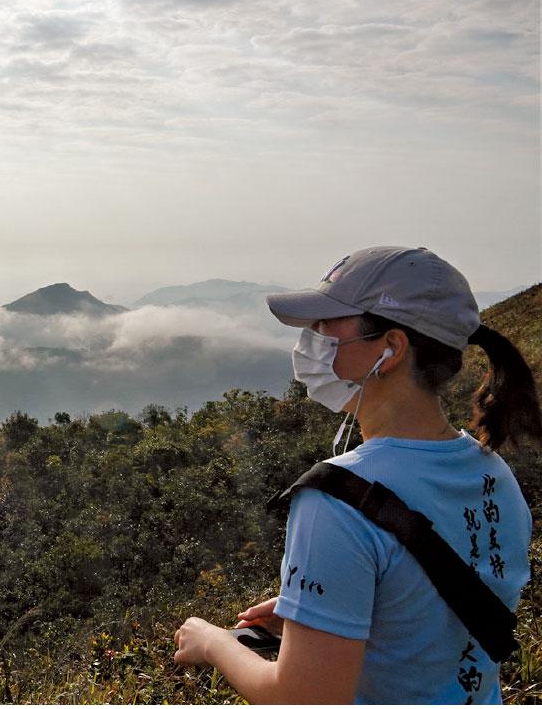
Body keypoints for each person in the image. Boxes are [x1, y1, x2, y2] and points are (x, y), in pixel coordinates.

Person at [173, 245, 539, 703]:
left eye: (328, 323)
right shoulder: (494, 473)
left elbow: (303, 699)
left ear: (390, 349)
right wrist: (322, 615)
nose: (313, 336)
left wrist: (214, 643)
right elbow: (428, 621)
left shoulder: (337, 501)